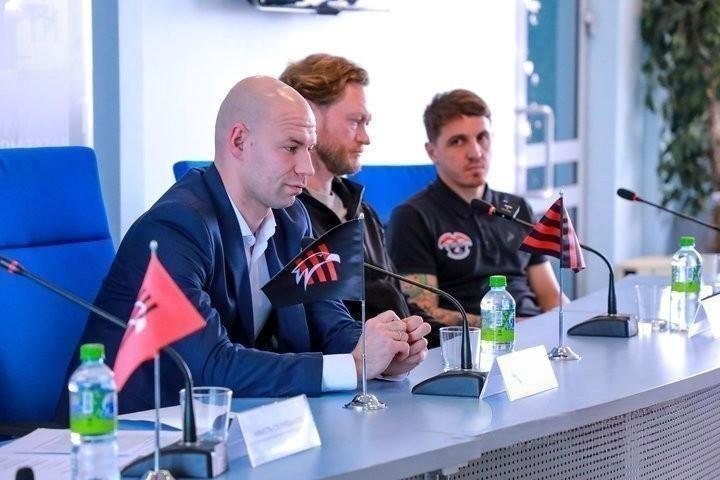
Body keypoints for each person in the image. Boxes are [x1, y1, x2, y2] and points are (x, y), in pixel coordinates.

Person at [64, 76, 430, 416]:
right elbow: (209, 366)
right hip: (130, 430)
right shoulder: (175, 227)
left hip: (234, 421)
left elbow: (328, 322)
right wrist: (354, 365)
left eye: (309, 148)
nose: (306, 167)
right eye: (291, 148)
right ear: (239, 141)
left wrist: (384, 349)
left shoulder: (292, 217)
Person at [279, 53, 442, 348]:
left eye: (366, 123)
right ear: (309, 115)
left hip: (396, 361)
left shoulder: (362, 209)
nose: (366, 138)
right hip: (349, 365)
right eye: (356, 122)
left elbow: (399, 302)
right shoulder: (284, 215)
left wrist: (459, 338)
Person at [387, 89, 565, 327]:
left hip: (535, 333)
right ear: (432, 152)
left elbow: (551, 297)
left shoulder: (517, 207)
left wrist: (573, 324)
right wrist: (508, 326)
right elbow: (423, 312)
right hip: (473, 342)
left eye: (482, 137)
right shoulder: (412, 217)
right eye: (458, 141)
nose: (475, 152)